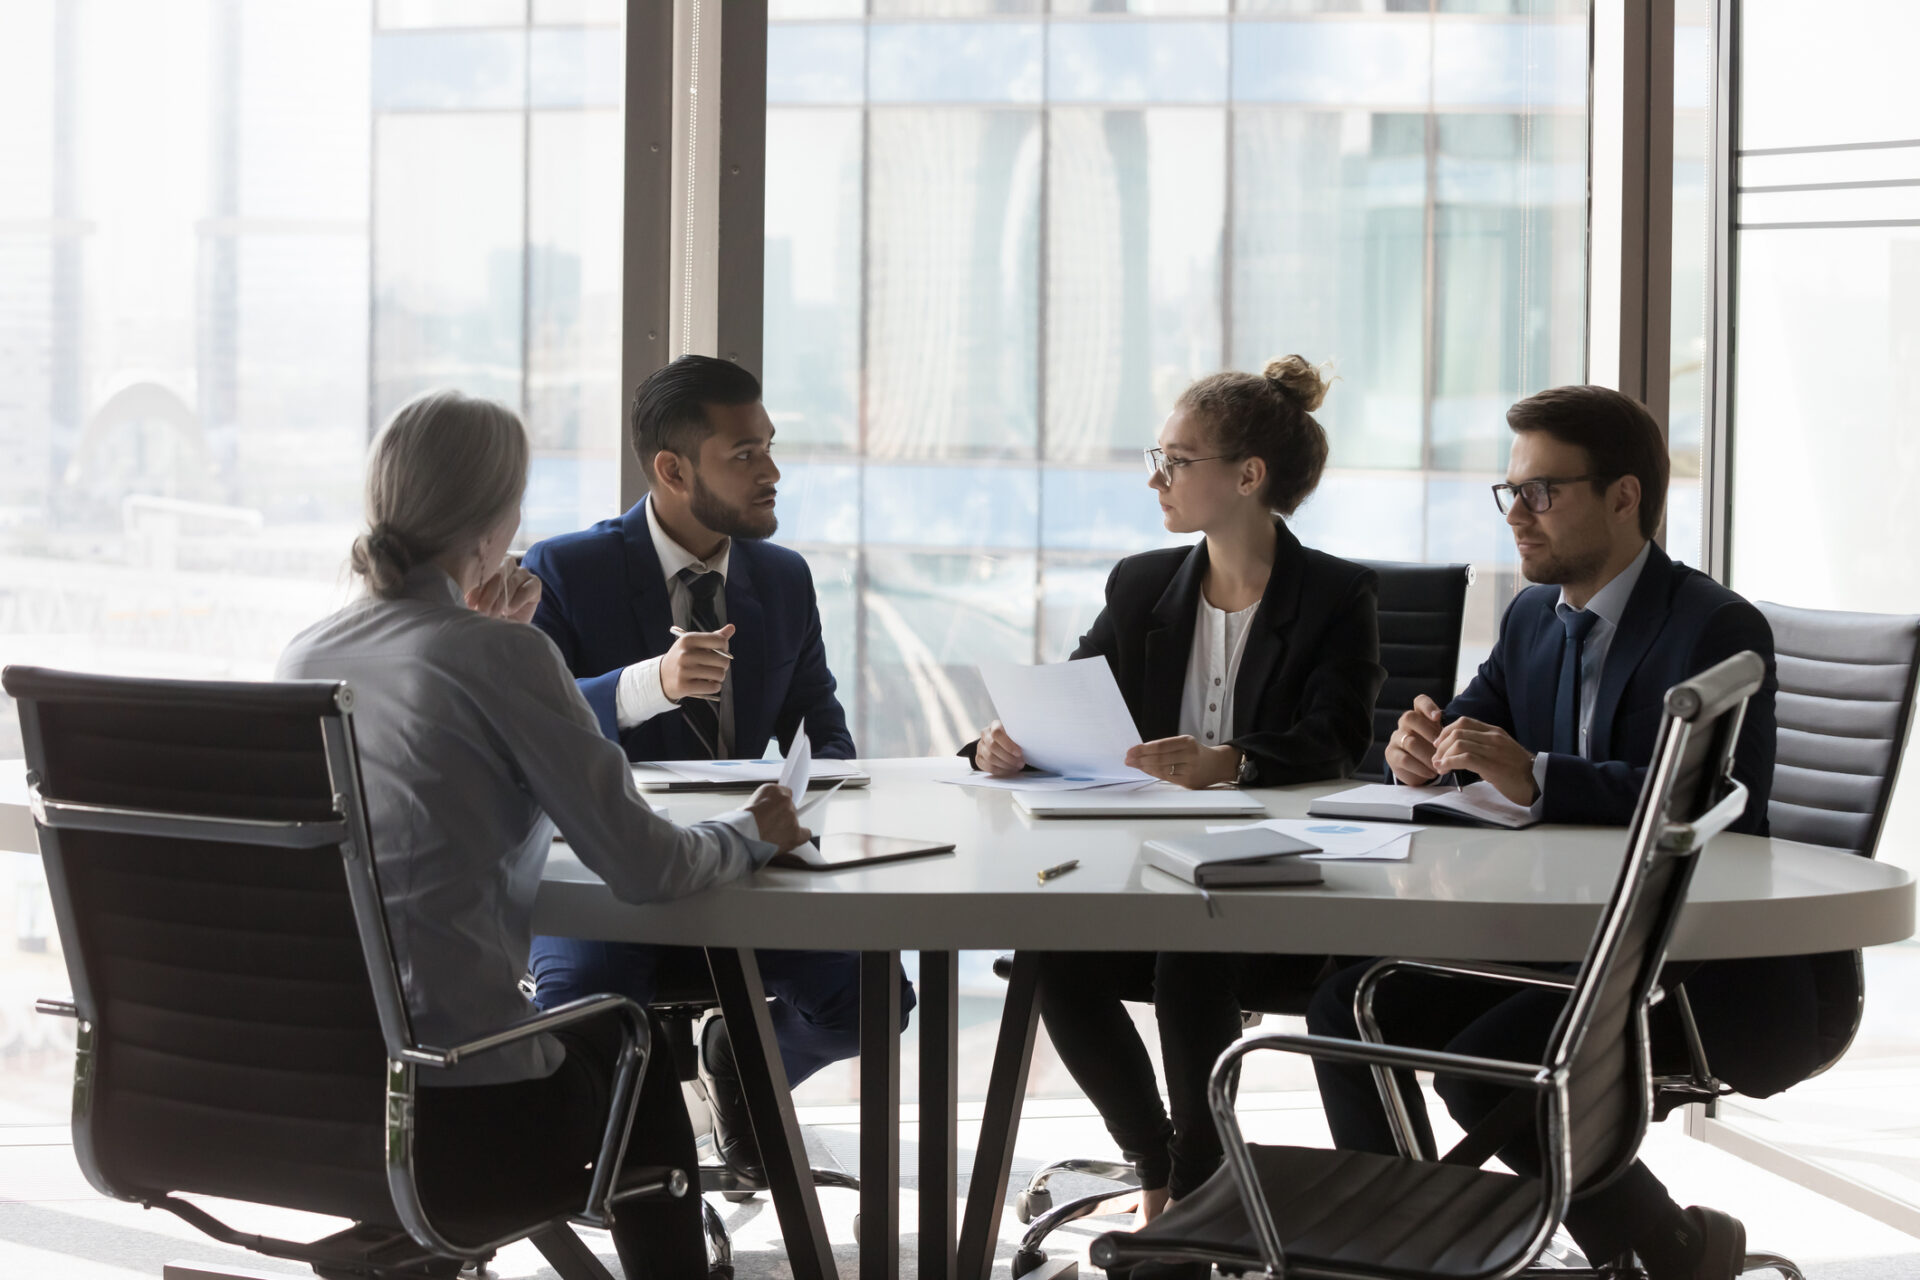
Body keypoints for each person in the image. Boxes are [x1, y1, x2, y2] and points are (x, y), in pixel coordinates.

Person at [278, 390, 814, 1278]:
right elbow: (647, 867)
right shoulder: (500, 656)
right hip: (465, 1100)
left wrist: (489, 642)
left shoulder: (307, 654)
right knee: (627, 1048)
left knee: (594, 1032)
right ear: (497, 521)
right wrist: (753, 830)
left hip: (328, 1093)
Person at [1307, 384, 1792, 1280]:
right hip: (1550, 939)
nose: (1517, 517)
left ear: (1623, 496)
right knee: (1347, 1006)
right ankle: (1401, 1248)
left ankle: (1651, 1247)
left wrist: (1537, 774)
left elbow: (1722, 804)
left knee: (1484, 1064)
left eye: (1542, 493)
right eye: (1511, 493)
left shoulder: (1715, 627)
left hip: (1679, 962)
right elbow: (1467, 729)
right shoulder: (1534, 613)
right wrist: (1422, 750)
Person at [971, 357, 1385, 1220]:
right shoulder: (1142, 583)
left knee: (1188, 959)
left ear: (1247, 476)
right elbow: (1077, 697)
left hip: (1284, 881)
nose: (1157, 478)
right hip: (1147, 863)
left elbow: (1339, 740)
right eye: (1156, 457)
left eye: (1176, 459)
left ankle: (1198, 1200)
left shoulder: (1337, 595)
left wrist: (1228, 760)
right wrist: (1001, 745)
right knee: (1050, 959)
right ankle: (1160, 1170)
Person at [520, 355, 913, 1183]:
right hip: (611, 875)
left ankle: (743, 1057)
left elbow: (822, 725)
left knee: (875, 1002)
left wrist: (817, 800)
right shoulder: (564, 571)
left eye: (769, 447)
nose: (772, 471)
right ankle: (637, 1185)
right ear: (671, 469)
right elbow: (530, 726)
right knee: (586, 1020)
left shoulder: (782, 576)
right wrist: (645, 685)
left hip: (747, 863)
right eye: (745, 454)